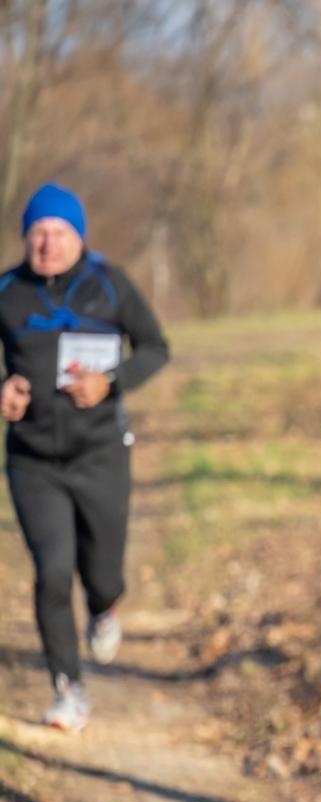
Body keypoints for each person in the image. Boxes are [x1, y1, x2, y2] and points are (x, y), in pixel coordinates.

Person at [0, 182, 170, 731]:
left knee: (102, 570)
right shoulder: (8, 290)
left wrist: (111, 383)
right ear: (26, 237)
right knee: (52, 573)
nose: (47, 244)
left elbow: (155, 348)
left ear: (79, 237)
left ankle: (105, 605)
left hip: (101, 454)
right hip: (33, 460)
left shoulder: (108, 284)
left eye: (59, 233)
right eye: (37, 233)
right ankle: (67, 689)